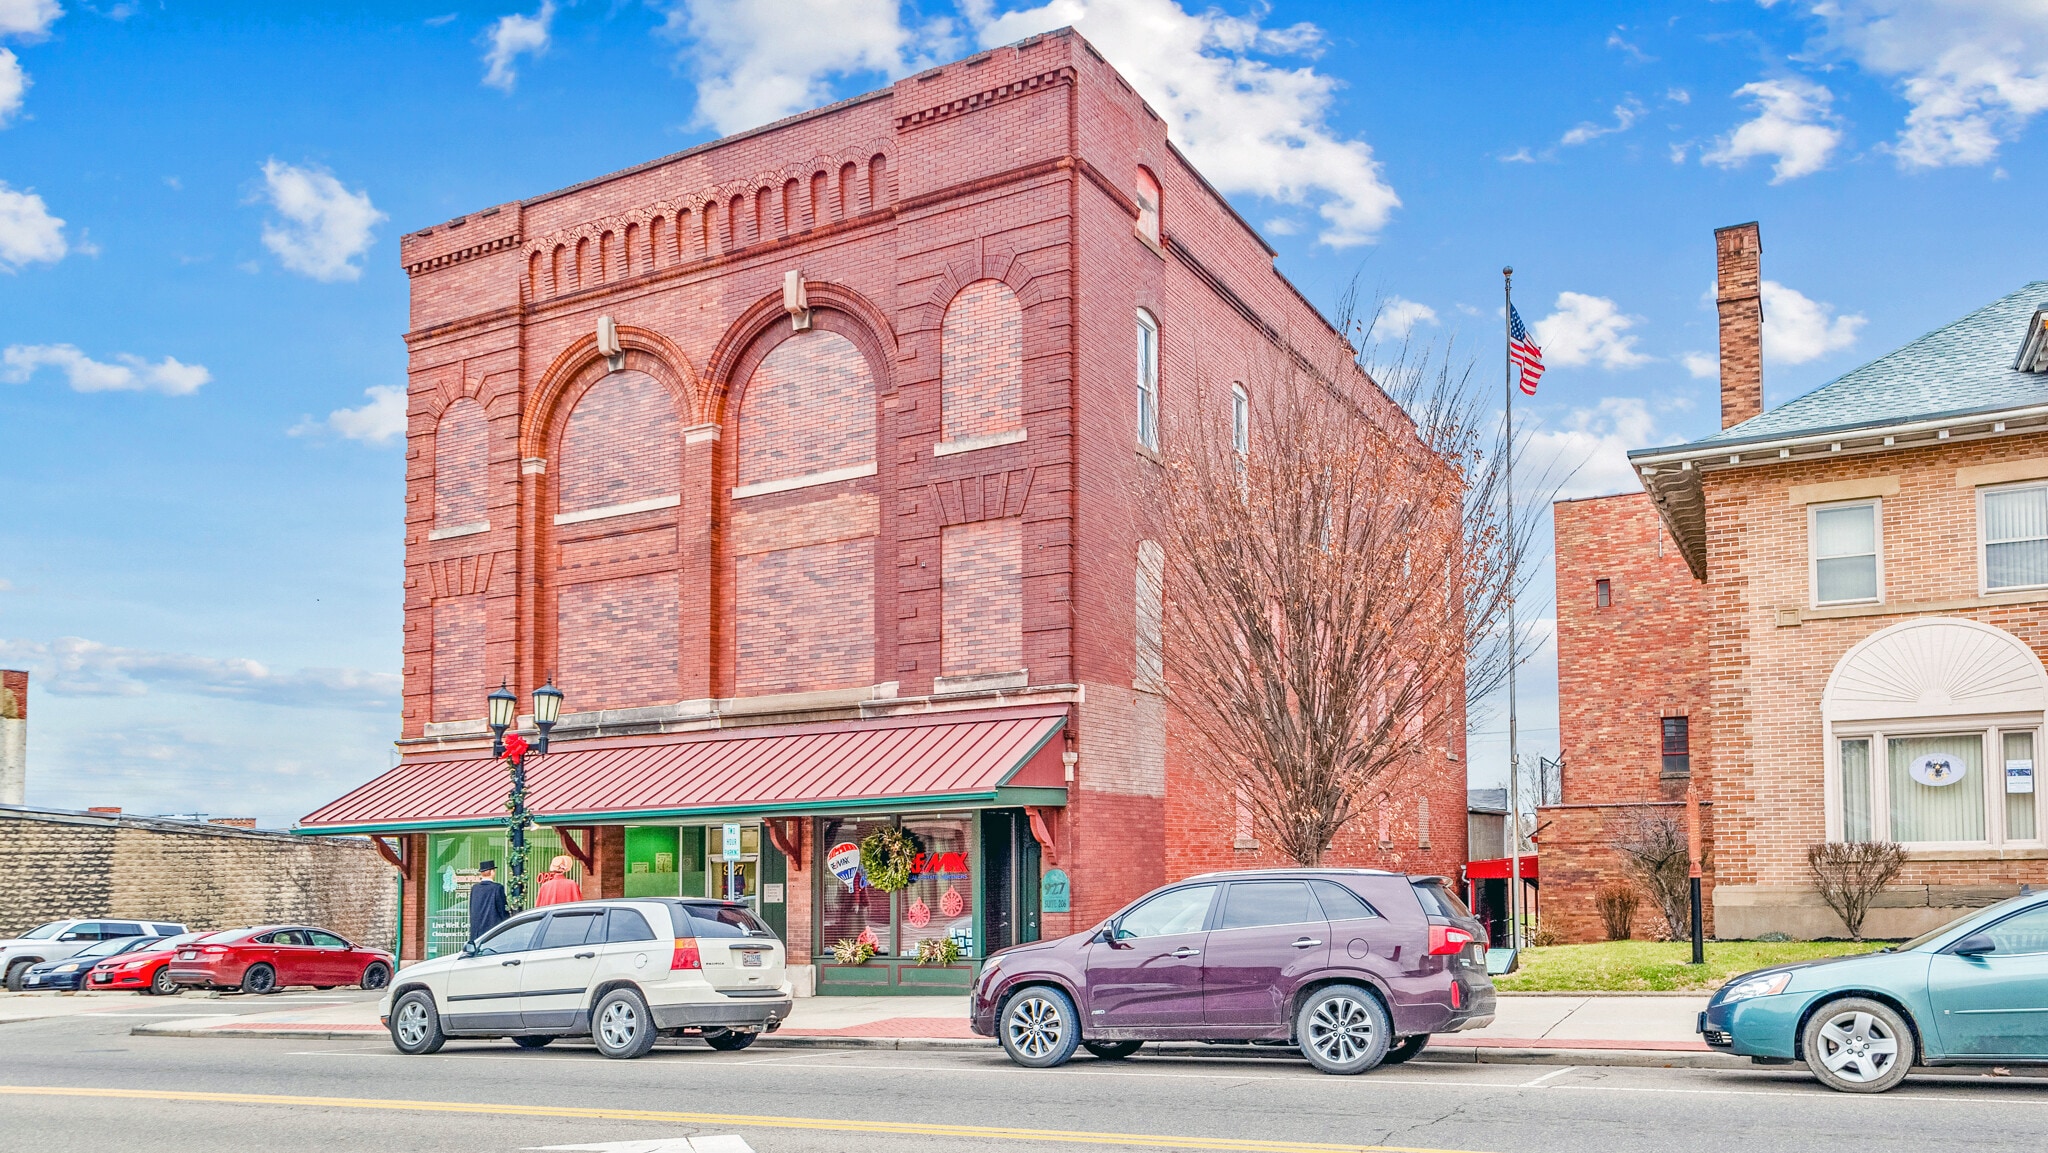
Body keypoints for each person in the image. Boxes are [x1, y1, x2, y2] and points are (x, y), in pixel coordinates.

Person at [468, 860, 509, 942]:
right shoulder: (497, 888)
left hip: (477, 933)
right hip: (493, 933)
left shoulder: (475, 888)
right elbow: (502, 910)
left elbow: (472, 909)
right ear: (492, 872)